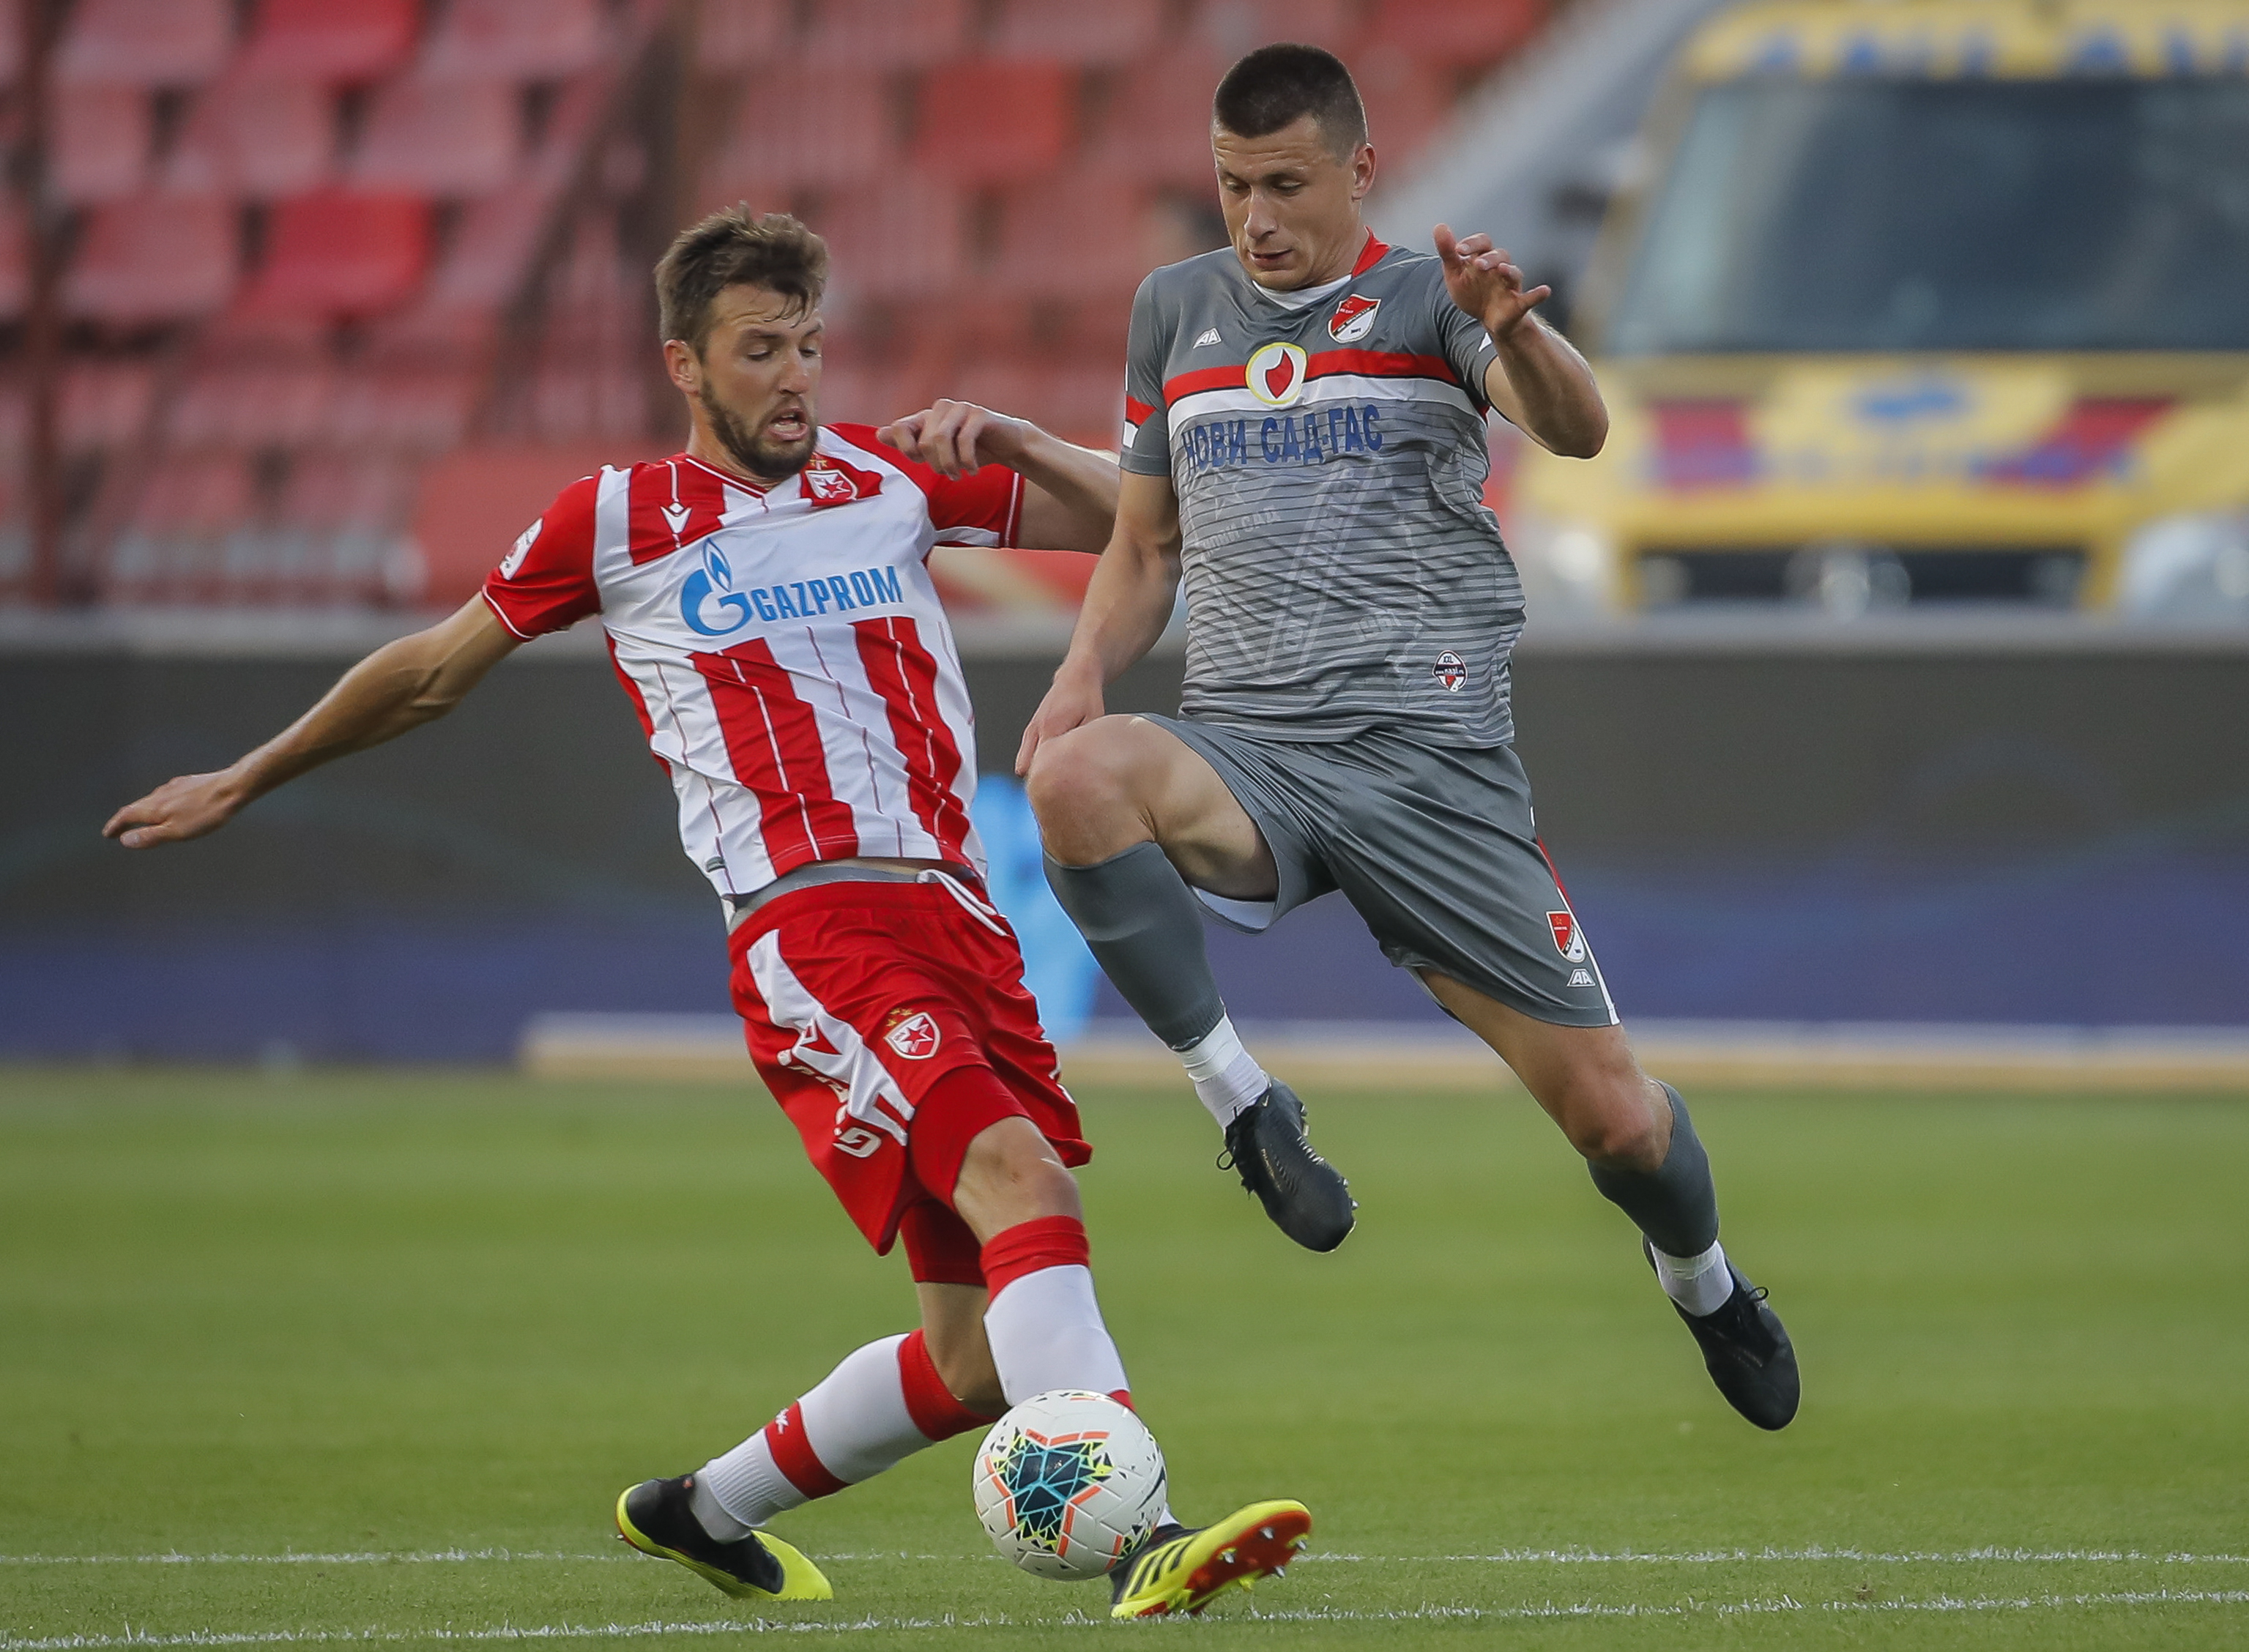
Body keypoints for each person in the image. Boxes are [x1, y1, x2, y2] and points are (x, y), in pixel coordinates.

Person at [103, 206, 1313, 1616]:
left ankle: (700, 1508)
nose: (796, 375)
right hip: (815, 928)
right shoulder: (615, 520)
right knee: (1022, 1188)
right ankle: (1140, 1531)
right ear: (685, 363)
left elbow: (1150, 521)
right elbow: (434, 670)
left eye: (809, 344)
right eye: (759, 351)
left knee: (981, 1356)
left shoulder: (887, 480)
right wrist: (248, 777)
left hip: (960, 923)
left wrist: (1016, 444)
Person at [1017, 45, 1799, 1430]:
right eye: (1232, 183)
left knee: (1621, 1127)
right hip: (1249, 752)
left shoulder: (1431, 298)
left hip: (1432, 775)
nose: (1254, 216)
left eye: (1285, 184)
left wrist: (1524, 328)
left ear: (1360, 171)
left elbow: (1580, 429)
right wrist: (1080, 674)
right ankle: (1247, 1108)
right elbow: (1147, 544)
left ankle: (1704, 1280)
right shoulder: (1174, 310)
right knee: (1076, 776)